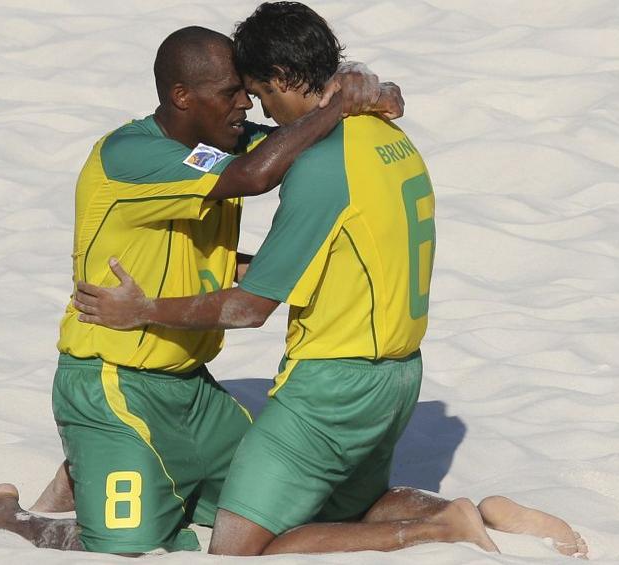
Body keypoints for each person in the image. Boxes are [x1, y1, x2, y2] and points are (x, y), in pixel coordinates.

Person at [72, 2, 588, 559]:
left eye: (259, 92)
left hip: (331, 387)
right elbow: (322, 244)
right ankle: (473, 515)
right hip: (400, 377)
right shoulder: (389, 135)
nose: (252, 109)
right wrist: (368, 94)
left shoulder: (320, 164)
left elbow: (250, 305)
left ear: (285, 79)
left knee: (236, 548)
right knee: (351, 508)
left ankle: (438, 530)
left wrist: (144, 309)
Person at [0, 24, 404, 555]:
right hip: (112, 384)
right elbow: (256, 175)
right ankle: (8, 514)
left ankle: (87, 473)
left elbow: (293, 142)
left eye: (247, 90)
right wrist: (336, 108)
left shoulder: (221, 142)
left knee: (283, 507)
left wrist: (372, 90)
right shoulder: (128, 154)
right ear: (181, 96)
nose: (245, 104)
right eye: (230, 93)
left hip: (194, 392)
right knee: (127, 548)